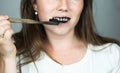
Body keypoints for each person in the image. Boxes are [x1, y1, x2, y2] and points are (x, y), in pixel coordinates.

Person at [0, 0, 120, 73]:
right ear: (34, 4)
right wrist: (7, 58)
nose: (63, 6)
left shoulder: (112, 56)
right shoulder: (12, 54)